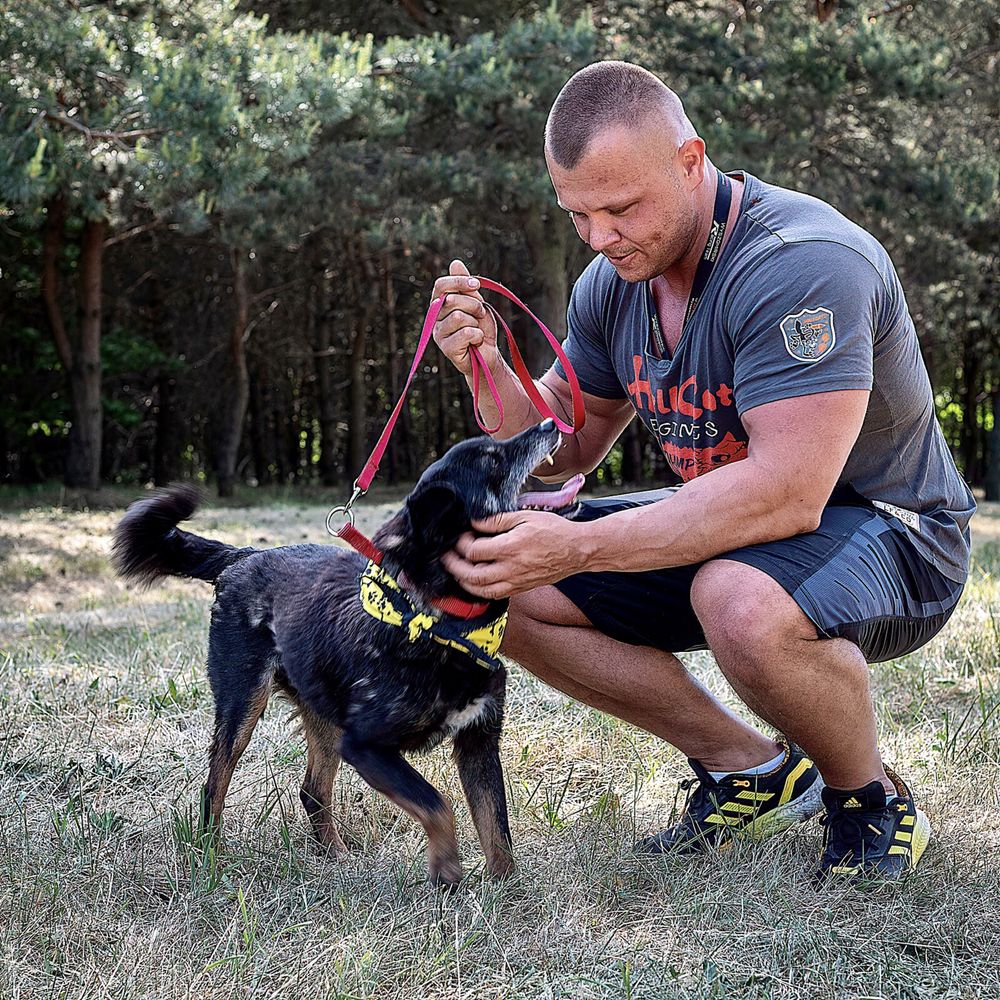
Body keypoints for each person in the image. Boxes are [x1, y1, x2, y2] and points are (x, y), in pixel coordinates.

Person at [429, 61, 975, 884]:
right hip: (745, 525)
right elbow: (561, 446)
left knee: (737, 598)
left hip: (896, 531)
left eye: (620, 209)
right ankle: (749, 771)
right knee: (489, 573)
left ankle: (869, 802)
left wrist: (580, 548)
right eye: (577, 214)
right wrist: (486, 365)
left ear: (692, 161)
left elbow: (787, 493)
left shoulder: (803, 262)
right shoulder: (616, 282)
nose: (600, 237)